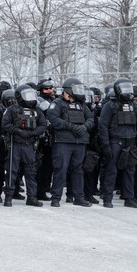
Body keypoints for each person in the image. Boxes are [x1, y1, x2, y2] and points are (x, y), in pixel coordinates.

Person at [46, 77, 94, 207]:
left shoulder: (82, 105)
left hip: (79, 142)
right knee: (60, 169)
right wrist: (71, 127)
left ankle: (78, 197)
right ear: (68, 90)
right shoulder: (57, 103)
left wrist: (84, 127)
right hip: (63, 142)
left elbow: (91, 119)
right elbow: (53, 119)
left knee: (78, 170)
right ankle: (56, 198)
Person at [98, 78, 137, 208]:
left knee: (130, 172)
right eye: (124, 88)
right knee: (111, 171)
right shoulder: (110, 105)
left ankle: (129, 198)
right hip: (115, 142)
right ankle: (107, 199)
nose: (127, 91)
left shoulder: (134, 105)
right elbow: (103, 126)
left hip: (131, 143)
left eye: (128, 88)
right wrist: (106, 145)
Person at [1, 84, 46, 207]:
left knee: (31, 172)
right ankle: (8, 197)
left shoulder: (36, 110)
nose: (30, 98)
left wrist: (33, 133)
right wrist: (19, 131)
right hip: (15, 144)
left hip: (30, 145)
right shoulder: (12, 109)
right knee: (11, 171)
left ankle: (31, 197)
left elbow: (43, 125)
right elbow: (5, 124)